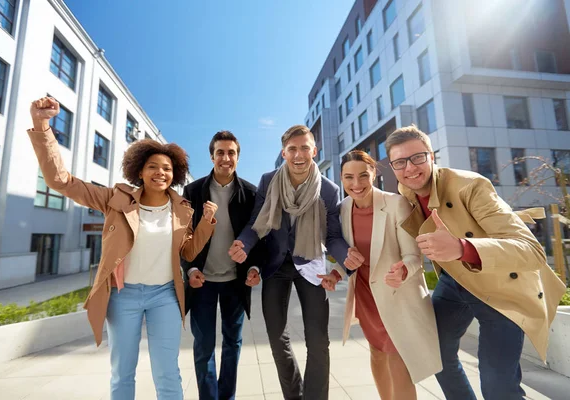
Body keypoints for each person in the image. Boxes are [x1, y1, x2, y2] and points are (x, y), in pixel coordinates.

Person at [28, 97, 217, 400]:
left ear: (175, 174)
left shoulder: (183, 210)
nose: (160, 172)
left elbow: (188, 253)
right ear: (139, 171)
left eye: (167, 168)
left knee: (167, 371)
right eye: (152, 166)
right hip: (123, 295)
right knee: (122, 372)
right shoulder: (115, 200)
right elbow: (62, 181)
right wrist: (42, 127)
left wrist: (207, 223)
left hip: (165, 296)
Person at [384, 125, 566, 400]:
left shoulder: (471, 185)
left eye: (418, 157)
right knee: (435, 353)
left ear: (432, 156)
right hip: (454, 281)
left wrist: (461, 247)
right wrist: (406, 266)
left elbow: (531, 250)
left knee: (497, 386)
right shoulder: (405, 190)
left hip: (501, 286)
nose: (410, 168)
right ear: (392, 166)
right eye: (400, 162)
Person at [228, 125, 362, 400]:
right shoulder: (268, 181)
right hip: (275, 266)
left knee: (318, 342)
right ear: (284, 152)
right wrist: (243, 243)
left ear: (314, 150)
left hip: (311, 265)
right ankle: (294, 396)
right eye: (292, 149)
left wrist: (346, 253)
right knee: (277, 340)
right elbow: (256, 223)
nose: (299, 154)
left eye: (304, 148)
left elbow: (333, 235)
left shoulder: (328, 189)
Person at [317, 150, 441, 400]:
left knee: (397, 359)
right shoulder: (343, 209)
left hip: (396, 294)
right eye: (349, 177)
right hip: (365, 294)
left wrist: (403, 271)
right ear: (341, 178)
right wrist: (335, 274)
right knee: (376, 353)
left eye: (363, 175)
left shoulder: (396, 204)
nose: (356, 184)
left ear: (374, 173)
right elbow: (351, 256)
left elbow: (414, 257)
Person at [181, 130, 262, 400]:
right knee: (203, 346)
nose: (225, 158)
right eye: (220, 152)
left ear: (238, 157)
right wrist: (190, 269)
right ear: (212, 156)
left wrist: (253, 268)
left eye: (231, 153)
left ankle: (227, 396)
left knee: (232, 343)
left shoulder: (251, 193)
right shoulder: (193, 191)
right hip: (201, 282)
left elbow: (258, 236)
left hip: (234, 283)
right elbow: (183, 236)